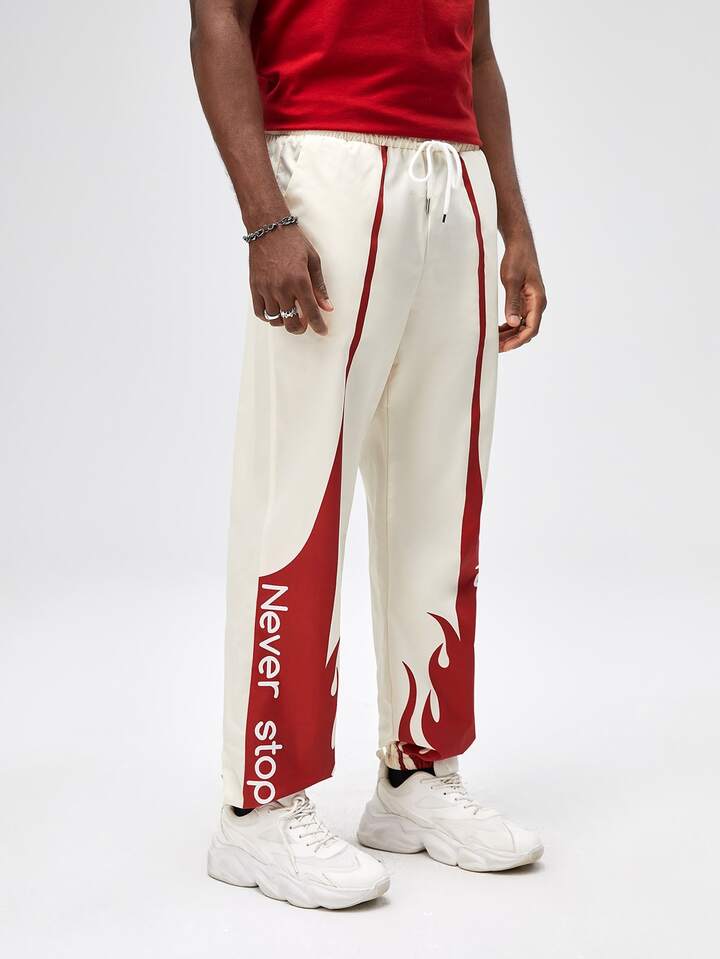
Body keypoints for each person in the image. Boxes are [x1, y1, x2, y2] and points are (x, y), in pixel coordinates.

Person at [190, 0, 548, 909]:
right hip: (327, 170)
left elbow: (478, 48)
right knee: (298, 494)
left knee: (442, 492)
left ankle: (416, 774)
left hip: (455, 178)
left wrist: (513, 219)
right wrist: (265, 218)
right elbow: (217, 16)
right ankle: (257, 804)